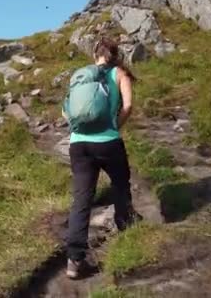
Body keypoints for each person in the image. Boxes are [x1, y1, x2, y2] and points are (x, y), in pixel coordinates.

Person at [64, 36, 140, 279]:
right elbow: (128, 106)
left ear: (94, 53)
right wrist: (115, 126)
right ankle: (126, 229)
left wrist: (78, 129)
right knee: (120, 184)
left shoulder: (80, 75)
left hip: (78, 144)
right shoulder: (119, 73)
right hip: (108, 142)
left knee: (82, 199)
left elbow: (66, 110)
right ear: (116, 53)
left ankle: (75, 261)